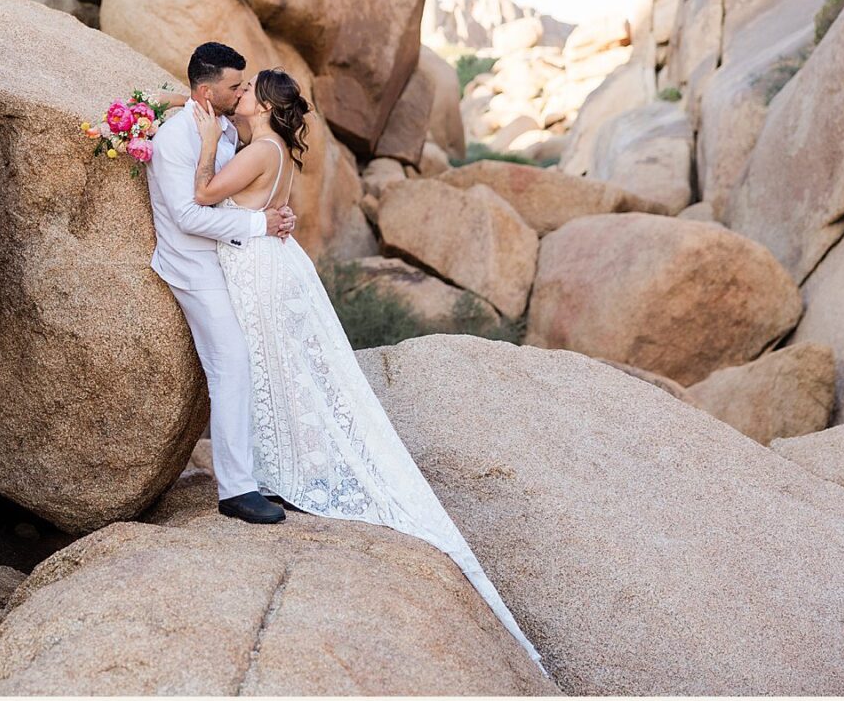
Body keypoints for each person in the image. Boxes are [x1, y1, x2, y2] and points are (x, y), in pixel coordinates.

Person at [193, 65, 548, 673]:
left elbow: (202, 196)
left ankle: (271, 470)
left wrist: (203, 147)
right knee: (274, 368)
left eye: (249, 91)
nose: (240, 94)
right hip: (266, 263)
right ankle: (271, 466)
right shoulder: (268, 149)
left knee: (264, 368)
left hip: (256, 270)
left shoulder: (259, 152)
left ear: (269, 107)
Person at [146, 42, 296, 525]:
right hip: (194, 266)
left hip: (229, 260)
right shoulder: (175, 140)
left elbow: (231, 193)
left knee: (256, 360)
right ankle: (236, 491)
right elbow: (189, 215)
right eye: (236, 86)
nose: (242, 92)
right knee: (230, 363)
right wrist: (261, 225)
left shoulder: (223, 125)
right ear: (210, 91)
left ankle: (267, 475)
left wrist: (272, 214)